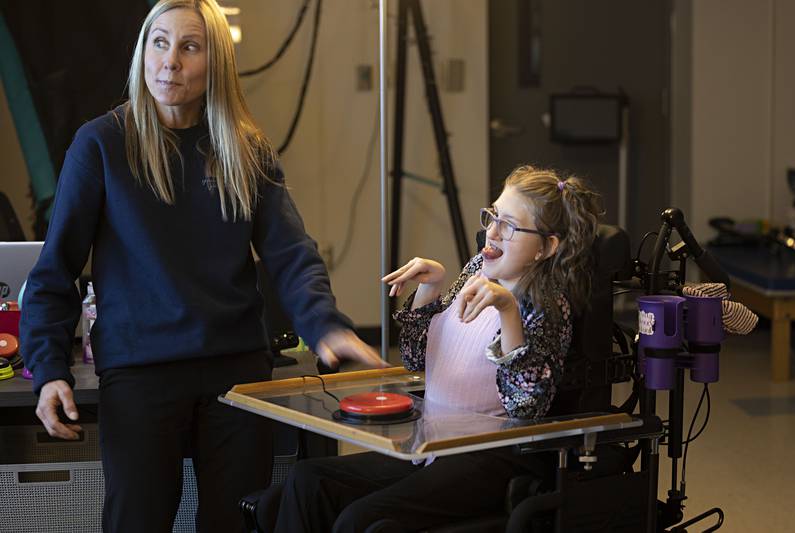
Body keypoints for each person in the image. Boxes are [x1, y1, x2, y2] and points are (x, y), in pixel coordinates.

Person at [19, 1, 384, 531]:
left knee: (234, 523)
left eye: (190, 47)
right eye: (159, 43)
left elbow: (290, 253)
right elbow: (55, 271)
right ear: (143, 52)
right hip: (139, 370)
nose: (170, 61)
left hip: (235, 370)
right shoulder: (100, 144)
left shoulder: (244, 148)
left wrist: (325, 325)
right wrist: (49, 370)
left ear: (216, 64)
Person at [269, 165, 605, 532]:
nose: (491, 232)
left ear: (546, 246)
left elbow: (526, 407)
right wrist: (430, 290)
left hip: (489, 459)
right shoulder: (478, 268)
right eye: (492, 215)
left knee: (357, 520)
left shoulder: (547, 303)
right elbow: (416, 361)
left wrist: (507, 310)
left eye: (509, 225)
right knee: (307, 481)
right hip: (433, 444)